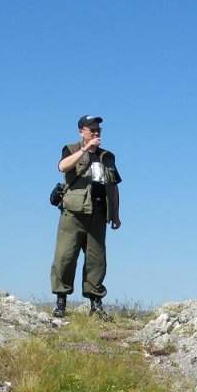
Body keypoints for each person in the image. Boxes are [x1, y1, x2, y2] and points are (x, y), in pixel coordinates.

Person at [50, 114, 122, 320]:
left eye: (98, 130)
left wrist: (115, 214)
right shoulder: (71, 149)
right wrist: (84, 150)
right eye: (92, 130)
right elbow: (62, 167)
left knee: (96, 260)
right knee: (65, 257)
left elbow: (113, 187)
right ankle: (61, 302)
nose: (96, 133)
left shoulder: (107, 156)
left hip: (98, 213)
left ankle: (95, 304)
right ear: (81, 132)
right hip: (73, 213)